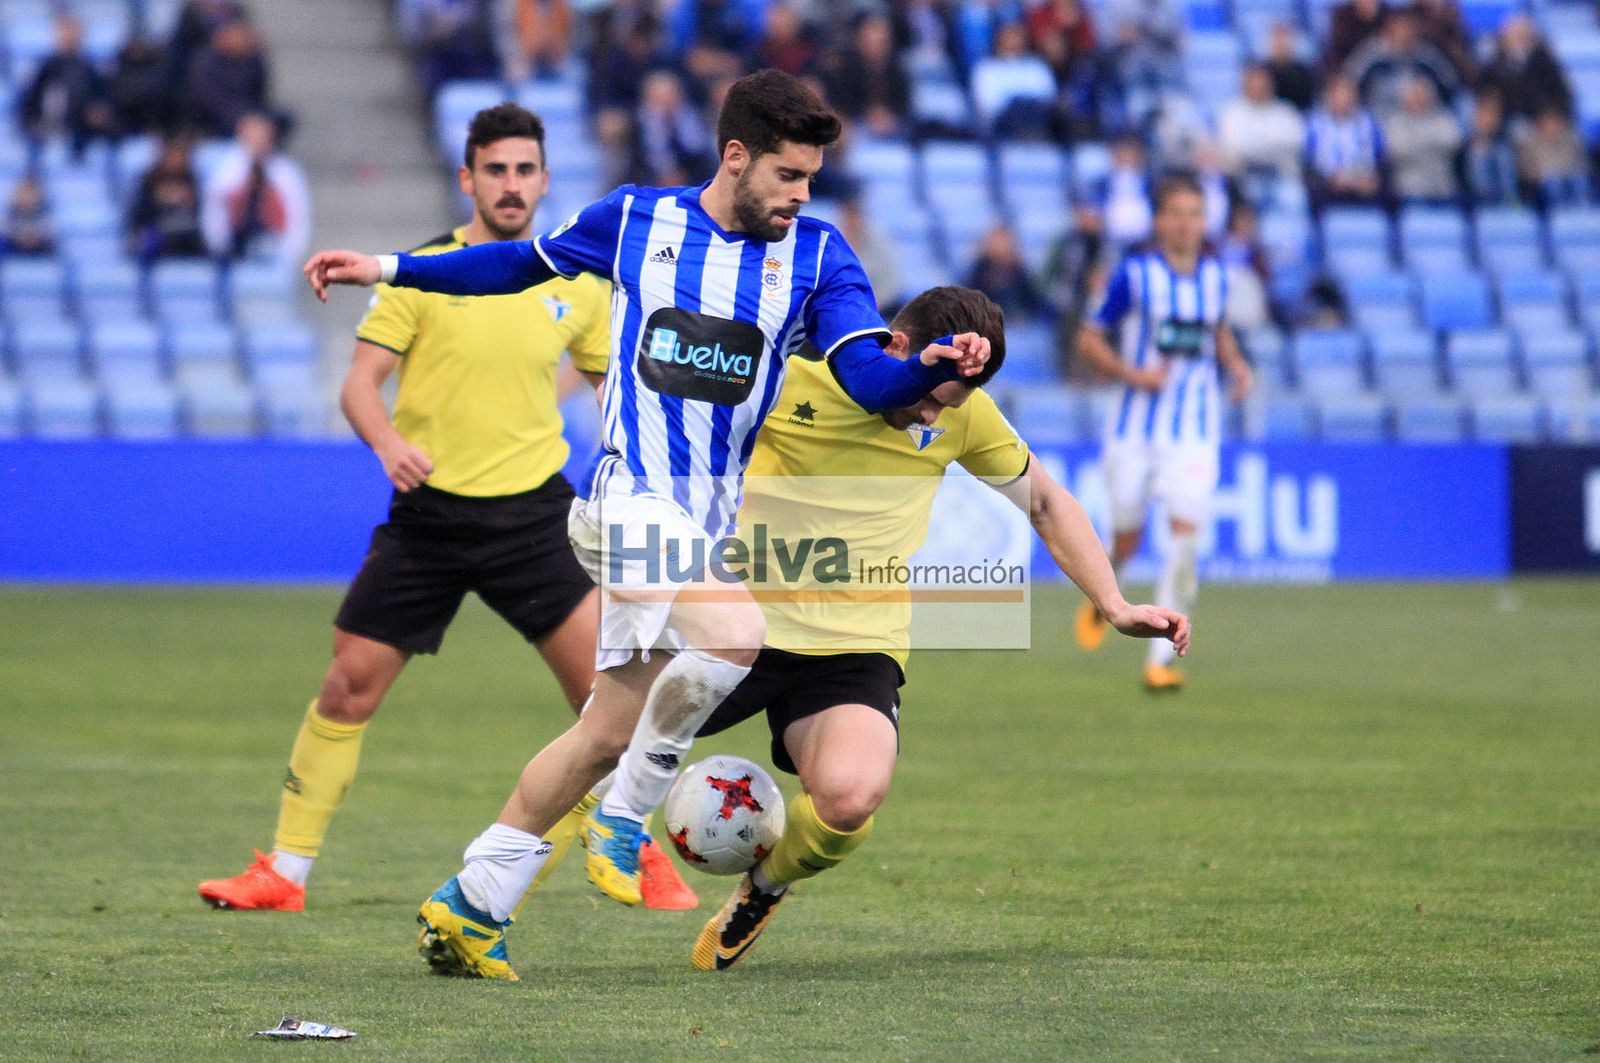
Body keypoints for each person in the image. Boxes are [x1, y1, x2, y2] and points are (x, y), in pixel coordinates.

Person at [301, 69, 991, 982]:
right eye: (788, 174)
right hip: (625, 501)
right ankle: (626, 817)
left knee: (603, 729)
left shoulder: (820, 257)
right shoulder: (637, 220)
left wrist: (924, 370)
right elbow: (513, 263)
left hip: (701, 527)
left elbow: (867, 372)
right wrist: (390, 268)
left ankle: (471, 904)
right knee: (739, 632)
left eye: (812, 178)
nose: (801, 194)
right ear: (735, 157)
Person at [197, 103, 701, 914]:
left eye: (524, 169)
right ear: (468, 178)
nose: (510, 184)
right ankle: (283, 874)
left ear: (543, 179)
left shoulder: (577, 282)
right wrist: (388, 445)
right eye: (494, 169)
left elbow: (615, 390)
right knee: (346, 687)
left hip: (536, 519)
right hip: (428, 515)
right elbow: (359, 386)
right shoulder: (424, 270)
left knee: (606, 701)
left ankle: (633, 849)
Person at [683, 285, 1188, 970]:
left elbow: (1043, 498)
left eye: (944, 405)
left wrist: (1115, 602)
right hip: (735, 619)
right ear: (897, 346)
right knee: (607, 744)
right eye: (925, 394)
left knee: (850, 797)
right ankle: (493, 897)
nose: (928, 413)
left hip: (854, 643)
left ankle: (764, 886)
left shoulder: (965, 413)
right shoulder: (787, 375)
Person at [1073, 173, 1254, 692]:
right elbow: (1088, 339)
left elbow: (1216, 330)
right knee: (1126, 537)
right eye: (1175, 212)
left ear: (1205, 220)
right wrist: (1134, 375)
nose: (1185, 223)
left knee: (1186, 536)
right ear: (1158, 220)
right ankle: (1103, 594)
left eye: (1194, 213)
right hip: (1134, 428)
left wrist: (1237, 365)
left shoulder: (1219, 277)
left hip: (1195, 430)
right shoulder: (1133, 276)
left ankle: (1160, 658)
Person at [200, 112, 311, 273]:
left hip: (273, 249)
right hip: (233, 250)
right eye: (253, 136)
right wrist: (220, 249)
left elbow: (298, 216)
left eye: (262, 136)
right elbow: (214, 211)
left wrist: (288, 258)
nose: (258, 142)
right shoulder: (224, 170)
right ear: (241, 135)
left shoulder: (287, 171)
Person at [18, 14, 112, 157]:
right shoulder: (46, 68)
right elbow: (30, 102)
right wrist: (35, 122)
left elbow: (101, 101)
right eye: (65, 35)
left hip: (81, 129)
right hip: (49, 127)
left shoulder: (89, 69)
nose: (69, 39)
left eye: (73, 35)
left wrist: (97, 113)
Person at [1305, 75, 1387, 209]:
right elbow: (1309, 161)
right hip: (1329, 182)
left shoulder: (1369, 122)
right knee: (1313, 191)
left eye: (1348, 94)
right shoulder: (1314, 123)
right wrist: (1333, 178)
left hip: (1364, 180)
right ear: (1328, 98)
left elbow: (1380, 158)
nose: (1344, 100)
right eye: (1338, 95)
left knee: (1391, 193)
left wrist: (1367, 178)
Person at [1218, 63, 1306, 186]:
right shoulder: (1232, 112)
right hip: (1244, 178)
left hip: (1281, 176)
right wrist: (1270, 148)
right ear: (1245, 85)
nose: (1258, 86)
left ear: (1271, 84)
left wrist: (1255, 147)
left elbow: (1294, 144)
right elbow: (1233, 146)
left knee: (1293, 196)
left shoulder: (1286, 111)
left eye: (1262, 82)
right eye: (1253, 82)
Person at [1478, 14, 1572, 125]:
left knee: (1520, 127)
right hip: (1501, 116)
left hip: (1536, 117)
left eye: (1521, 35)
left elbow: (1560, 93)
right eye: (1513, 35)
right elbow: (1484, 89)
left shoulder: (1545, 64)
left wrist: (1548, 113)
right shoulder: (1494, 62)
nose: (1516, 39)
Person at [1381, 77, 1462, 205]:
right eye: (1414, 94)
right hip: (1409, 189)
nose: (1417, 98)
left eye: (1421, 94)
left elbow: (1453, 143)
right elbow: (1397, 151)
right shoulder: (1395, 122)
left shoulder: (1443, 117)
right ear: (1404, 97)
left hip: (1442, 186)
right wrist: (1431, 145)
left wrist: (1416, 144)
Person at [127, 137, 207, 261]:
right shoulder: (150, 180)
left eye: (180, 156)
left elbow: (200, 209)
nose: (176, 160)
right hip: (158, 229)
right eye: (173, 156)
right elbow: (140, 212)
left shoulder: (191, 179)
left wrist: (184, 198)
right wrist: (160, 198)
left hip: (188, 230)